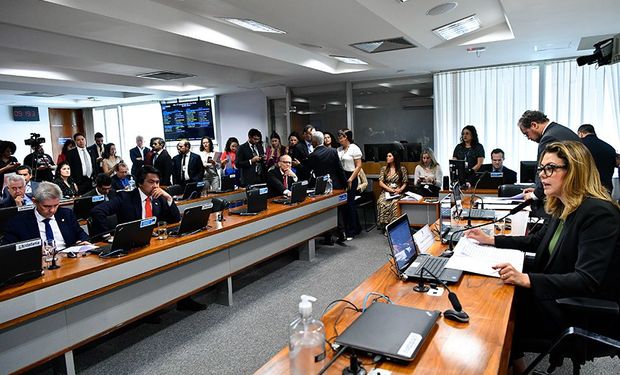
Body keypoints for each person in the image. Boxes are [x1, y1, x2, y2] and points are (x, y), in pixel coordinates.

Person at [465, 141, 620, 374]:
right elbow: (536, 241)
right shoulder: (564, 205)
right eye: (541, 169)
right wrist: (492, 240)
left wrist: (527, 279)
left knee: (493, 315)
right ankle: (516, 366)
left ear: (574, 170)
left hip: (576, 310)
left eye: (550, 168)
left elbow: (586, 280)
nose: (542, 176)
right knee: (490, 294)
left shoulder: (598, 213)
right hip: (555, 293)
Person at [90, 165, 181, 235]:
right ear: (140, 183)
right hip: (132, 242)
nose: (156, 186)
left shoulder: (159, 197)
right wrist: (107, 235)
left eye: (157, 182)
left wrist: (169, 198)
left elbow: (175, 220)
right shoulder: (125, 197)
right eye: (151, 182)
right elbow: (97, 211)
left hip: (154, 240)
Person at [1, 182, 90, 247]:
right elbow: (9, 248)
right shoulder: (19, 222)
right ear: (34, 201)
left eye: (56, 205)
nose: (52, 210)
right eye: (47, 206)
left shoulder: (66, 214)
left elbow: (80, 233)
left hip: (68, 261)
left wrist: (81, 241)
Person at [517, 110, 579, 202]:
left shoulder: (548, 138)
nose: (529, 138)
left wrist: (535, 195)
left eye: (527, 134)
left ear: (534, 125)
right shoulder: (561, 130)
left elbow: (547, 171)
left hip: (565, 197)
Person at [300, 131, 347, 244]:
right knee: (337, 210)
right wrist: (345, 183)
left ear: (315, 141)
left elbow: (305, 170)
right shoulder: (333, 151)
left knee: (325, 211)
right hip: (336, 185)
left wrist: (298, 165)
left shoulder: (313, 155)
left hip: (322, 186)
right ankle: (342, 232)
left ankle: (328, 237)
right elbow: (340, 169)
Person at [337, 128, 363, 239]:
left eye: (341, 136)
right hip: (342, 177)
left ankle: (352, 230)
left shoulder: (354, 148)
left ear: (346, 137)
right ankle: (351, 228)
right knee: (343, 205)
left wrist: (351, 179)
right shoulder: (339, 149)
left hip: (351, 176)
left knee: (350, 204)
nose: (339, 138)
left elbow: (358, 166)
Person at [578, 124, 616, 192]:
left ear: (580, 133)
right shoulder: (609, 148)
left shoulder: (579, 146)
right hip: (606, 188)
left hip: (586, 188)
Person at [377, 152, 408, 233]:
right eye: (387, 156)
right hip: (387, 191)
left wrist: (400, 189)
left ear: (395, 158)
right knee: (381, 202)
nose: (387, 157)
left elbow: (405, 182)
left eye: (389, 156)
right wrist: (389, 189)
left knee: (394, 203)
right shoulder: (384, 169)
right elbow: (380, 182)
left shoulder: (402, 169)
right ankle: (385, 226)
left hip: (398, 192)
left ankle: (393, 228)